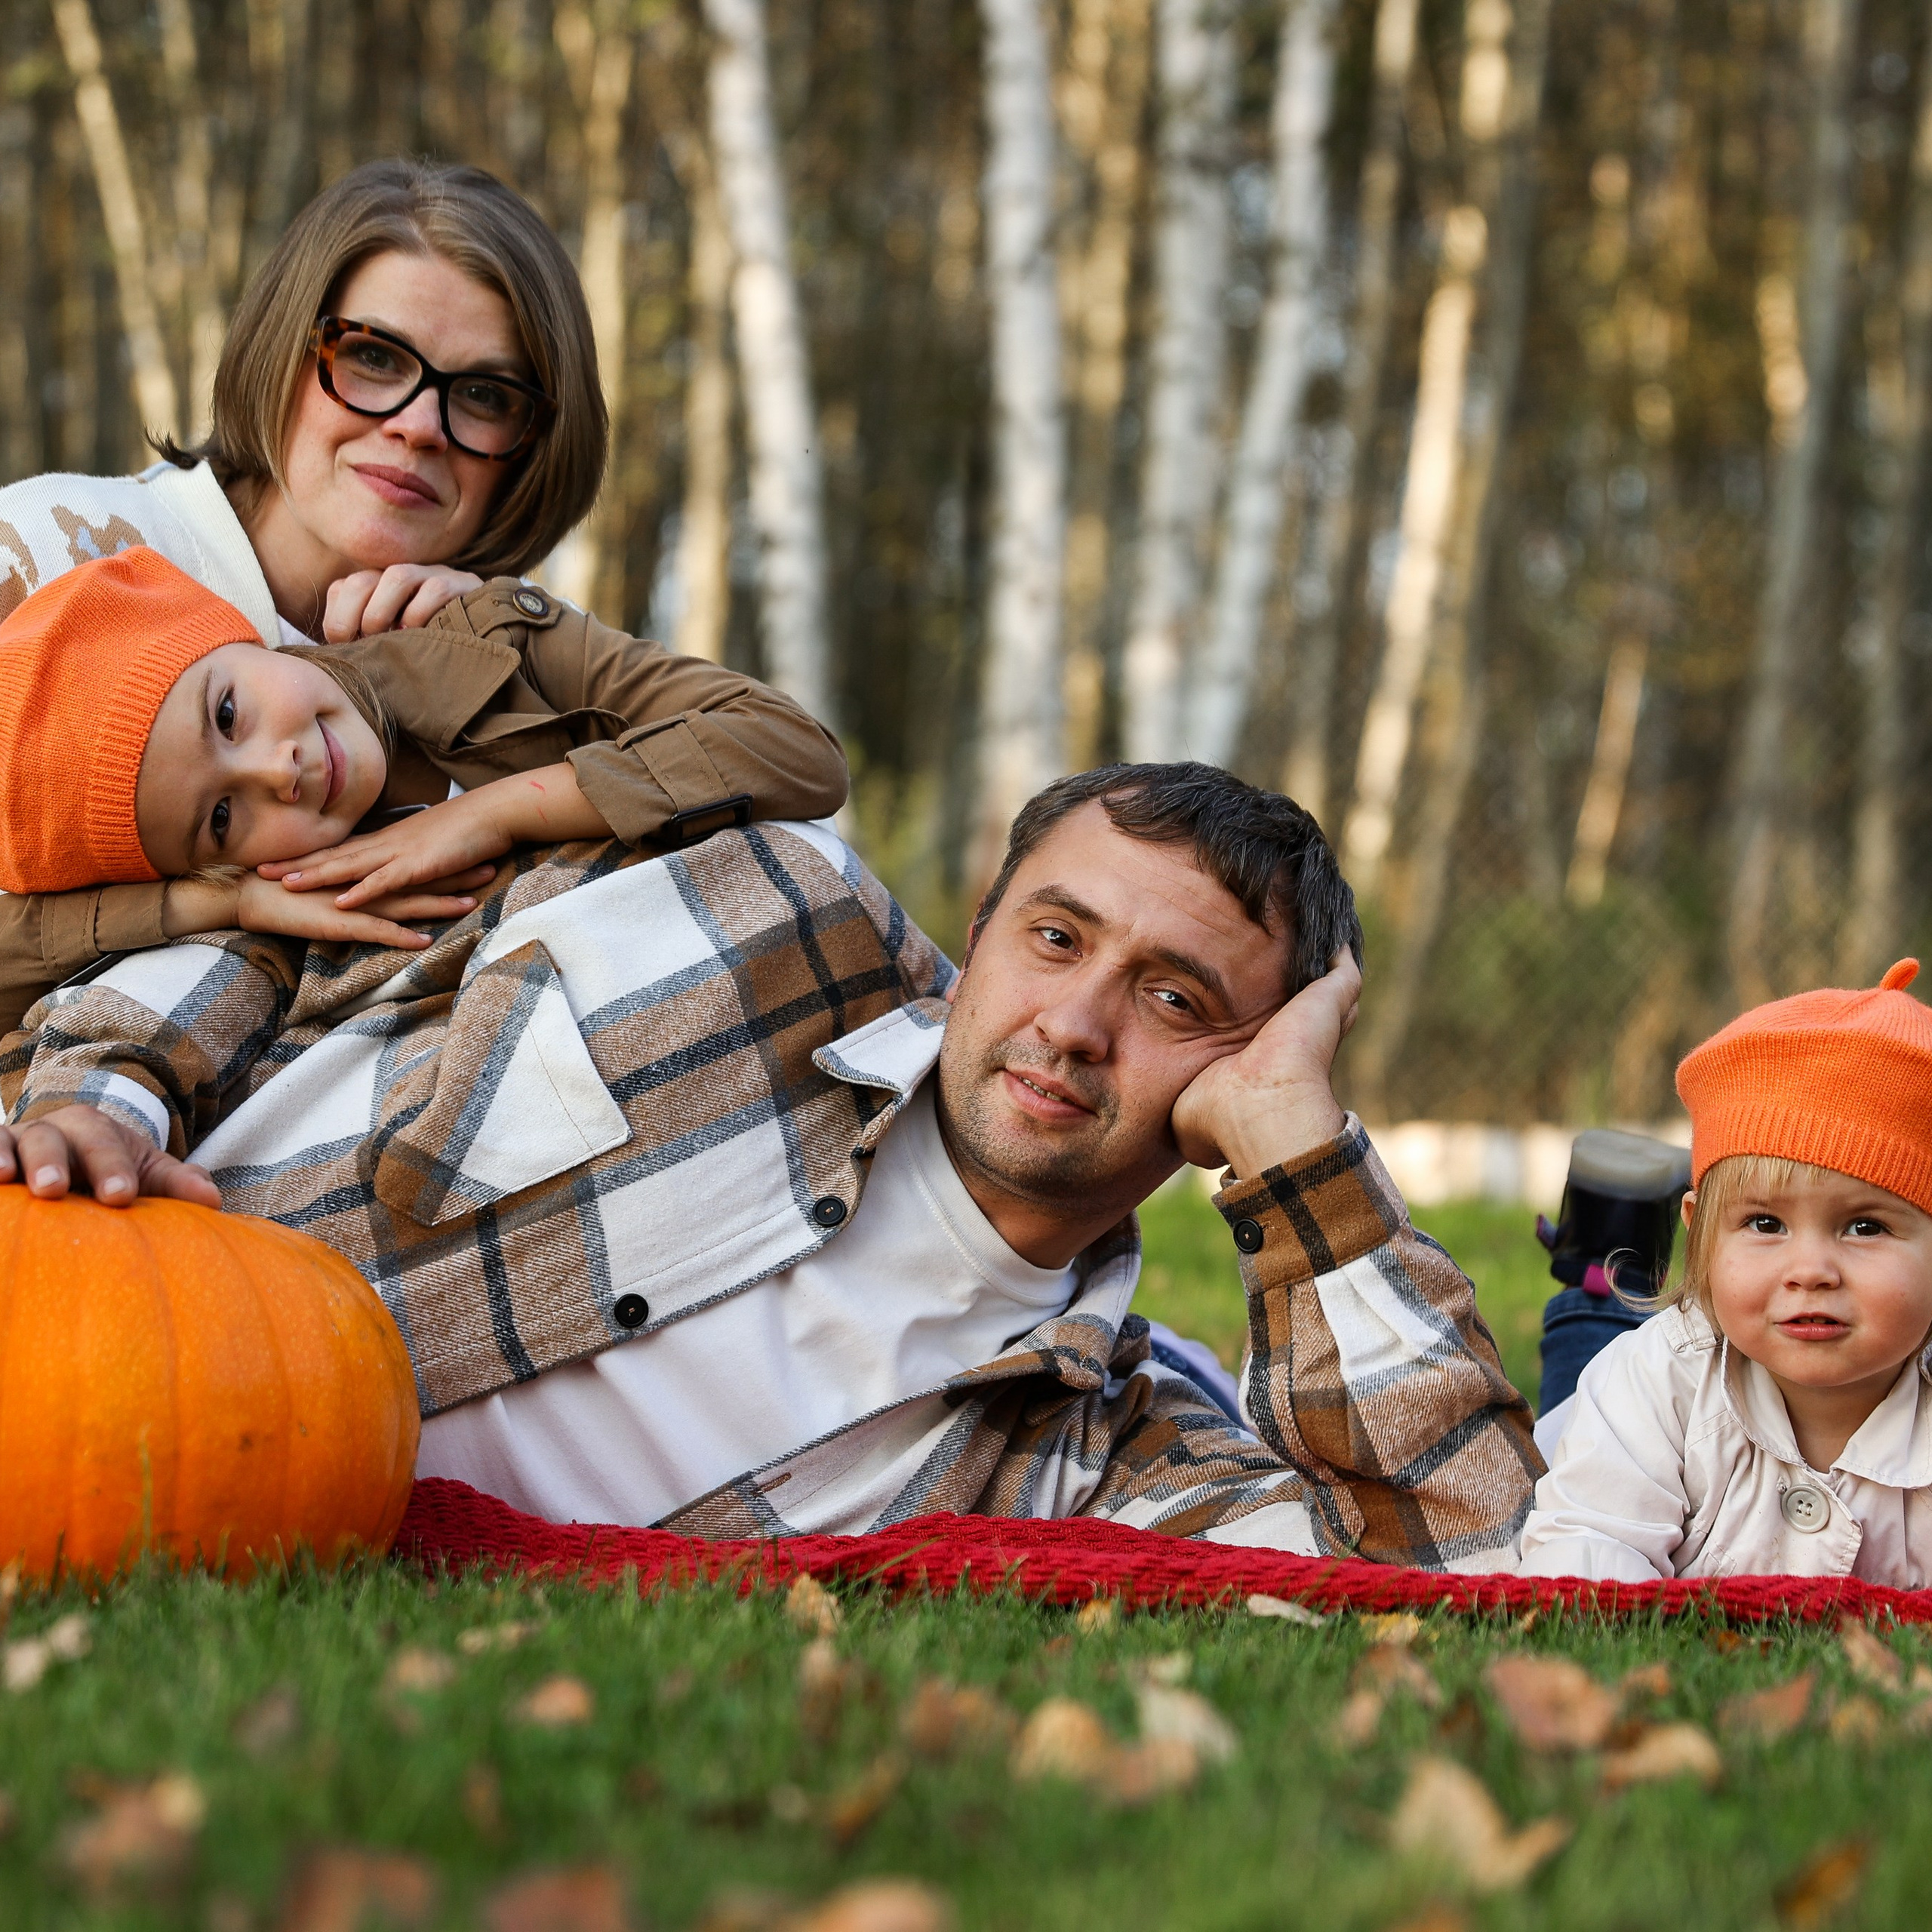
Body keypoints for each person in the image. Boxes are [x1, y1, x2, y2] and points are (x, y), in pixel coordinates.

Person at [0, 763, 1540, 1567]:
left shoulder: (1090, 1450)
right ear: (979, 930)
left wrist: (1303, 1165)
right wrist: (112, 1089)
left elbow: (1467, 1551)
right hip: (65, 1250)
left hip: (195, 1526)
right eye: (1055, 936)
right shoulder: (752, 902)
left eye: (1173, 998)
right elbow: (298, 918)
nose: (1070, 1022)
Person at [0, 158, 623, 1005]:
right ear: (284, 346)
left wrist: (485, 676)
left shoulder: (526, 647)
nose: (416, 428)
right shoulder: (42, 553)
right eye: (372, 356)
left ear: (534, 446)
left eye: (483, 394)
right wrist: (208, 901)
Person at [0, 548, 846, 1028]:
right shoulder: (274, 890)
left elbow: (798, 753)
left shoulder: (489, 638)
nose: (275, 771)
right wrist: (220, 904)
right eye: (223, 817)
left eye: (228, 712)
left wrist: (498, 810)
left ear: (237, 631)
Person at [1518, 961, 1932, 1585]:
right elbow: (1587, 1542)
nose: (1812, 1271)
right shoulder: (1656, 1380)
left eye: (1865, 1227)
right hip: (1618, 1381)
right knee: (1592, 1352)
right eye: (1766, 1224)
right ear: (1702, 1230)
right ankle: (1599, 1274)